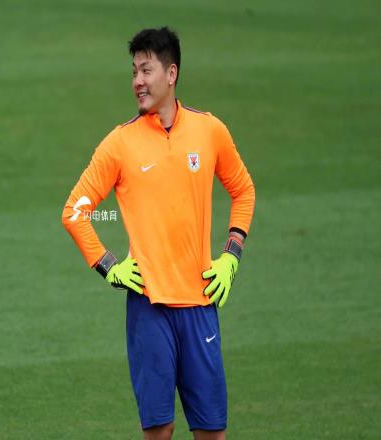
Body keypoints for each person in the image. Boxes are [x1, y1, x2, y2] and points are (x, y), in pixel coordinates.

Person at [62, 26, 255, 440]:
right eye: (133, 71)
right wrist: (108, 265)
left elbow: (243, 190)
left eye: (146, 70)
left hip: (200, 303)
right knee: (159, 430)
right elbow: (75, 212)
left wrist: (231, 256)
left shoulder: (209, 131)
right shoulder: (119, 144)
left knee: (212, 432)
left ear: (171, 74)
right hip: (148, 308)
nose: (137, 81)